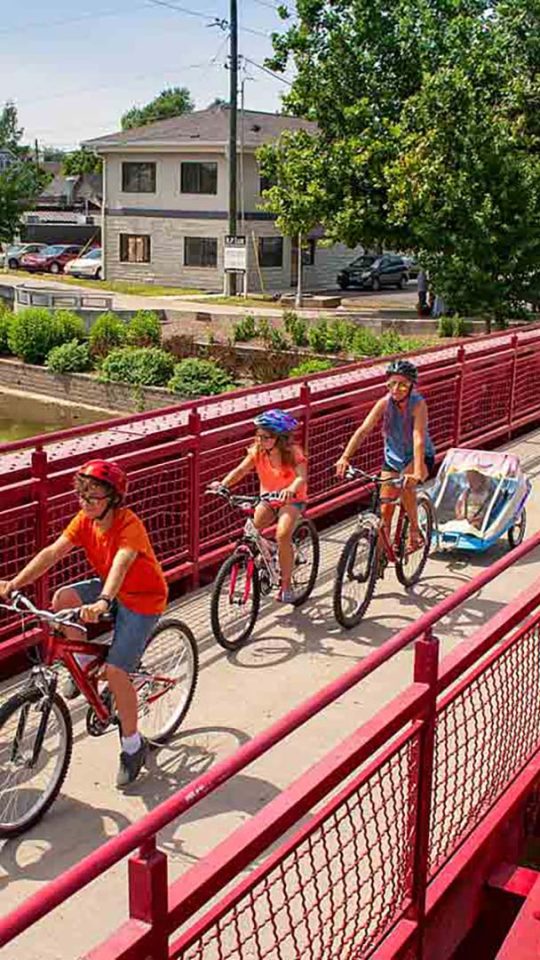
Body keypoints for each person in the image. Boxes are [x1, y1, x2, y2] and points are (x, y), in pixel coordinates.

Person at [0, 459, 168, 788]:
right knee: (62, 599)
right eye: (82, 495)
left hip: (142, 599)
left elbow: (121, 563)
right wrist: (14, 584)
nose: (85, 502)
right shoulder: (84, 520)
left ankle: (133, 746)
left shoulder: (128, 524)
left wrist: (103, 601)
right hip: (111, 589)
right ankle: (85, 667)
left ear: (114, 499)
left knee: (119, 673)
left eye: (93, 496)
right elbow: (52, 553)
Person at [336, 359, 435, 552]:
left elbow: (418, 438)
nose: (396, 389)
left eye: (403, 384)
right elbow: (363, 430)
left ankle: (415, 532)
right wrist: (345, 457)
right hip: (393, 459)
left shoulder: (418, 404)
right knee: (385, 510)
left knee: (406, 486)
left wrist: (415, 472)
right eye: (392, 383)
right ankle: (378, 560)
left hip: (419, 458)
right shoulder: (384, 403)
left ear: (411, 386)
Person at [209, 409, 307, 604]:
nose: (260, 440)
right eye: (258, 435)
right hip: (268, 498)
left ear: (279, 438)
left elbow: (301, 478)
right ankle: (270, 552)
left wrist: (290, 489)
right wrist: (223, 484)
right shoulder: (257, 452)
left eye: (265, 437)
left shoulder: (294, 453)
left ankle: (286, 585)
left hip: (291, 500)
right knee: (252, 530)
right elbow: (241, 470)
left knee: (282, 534)